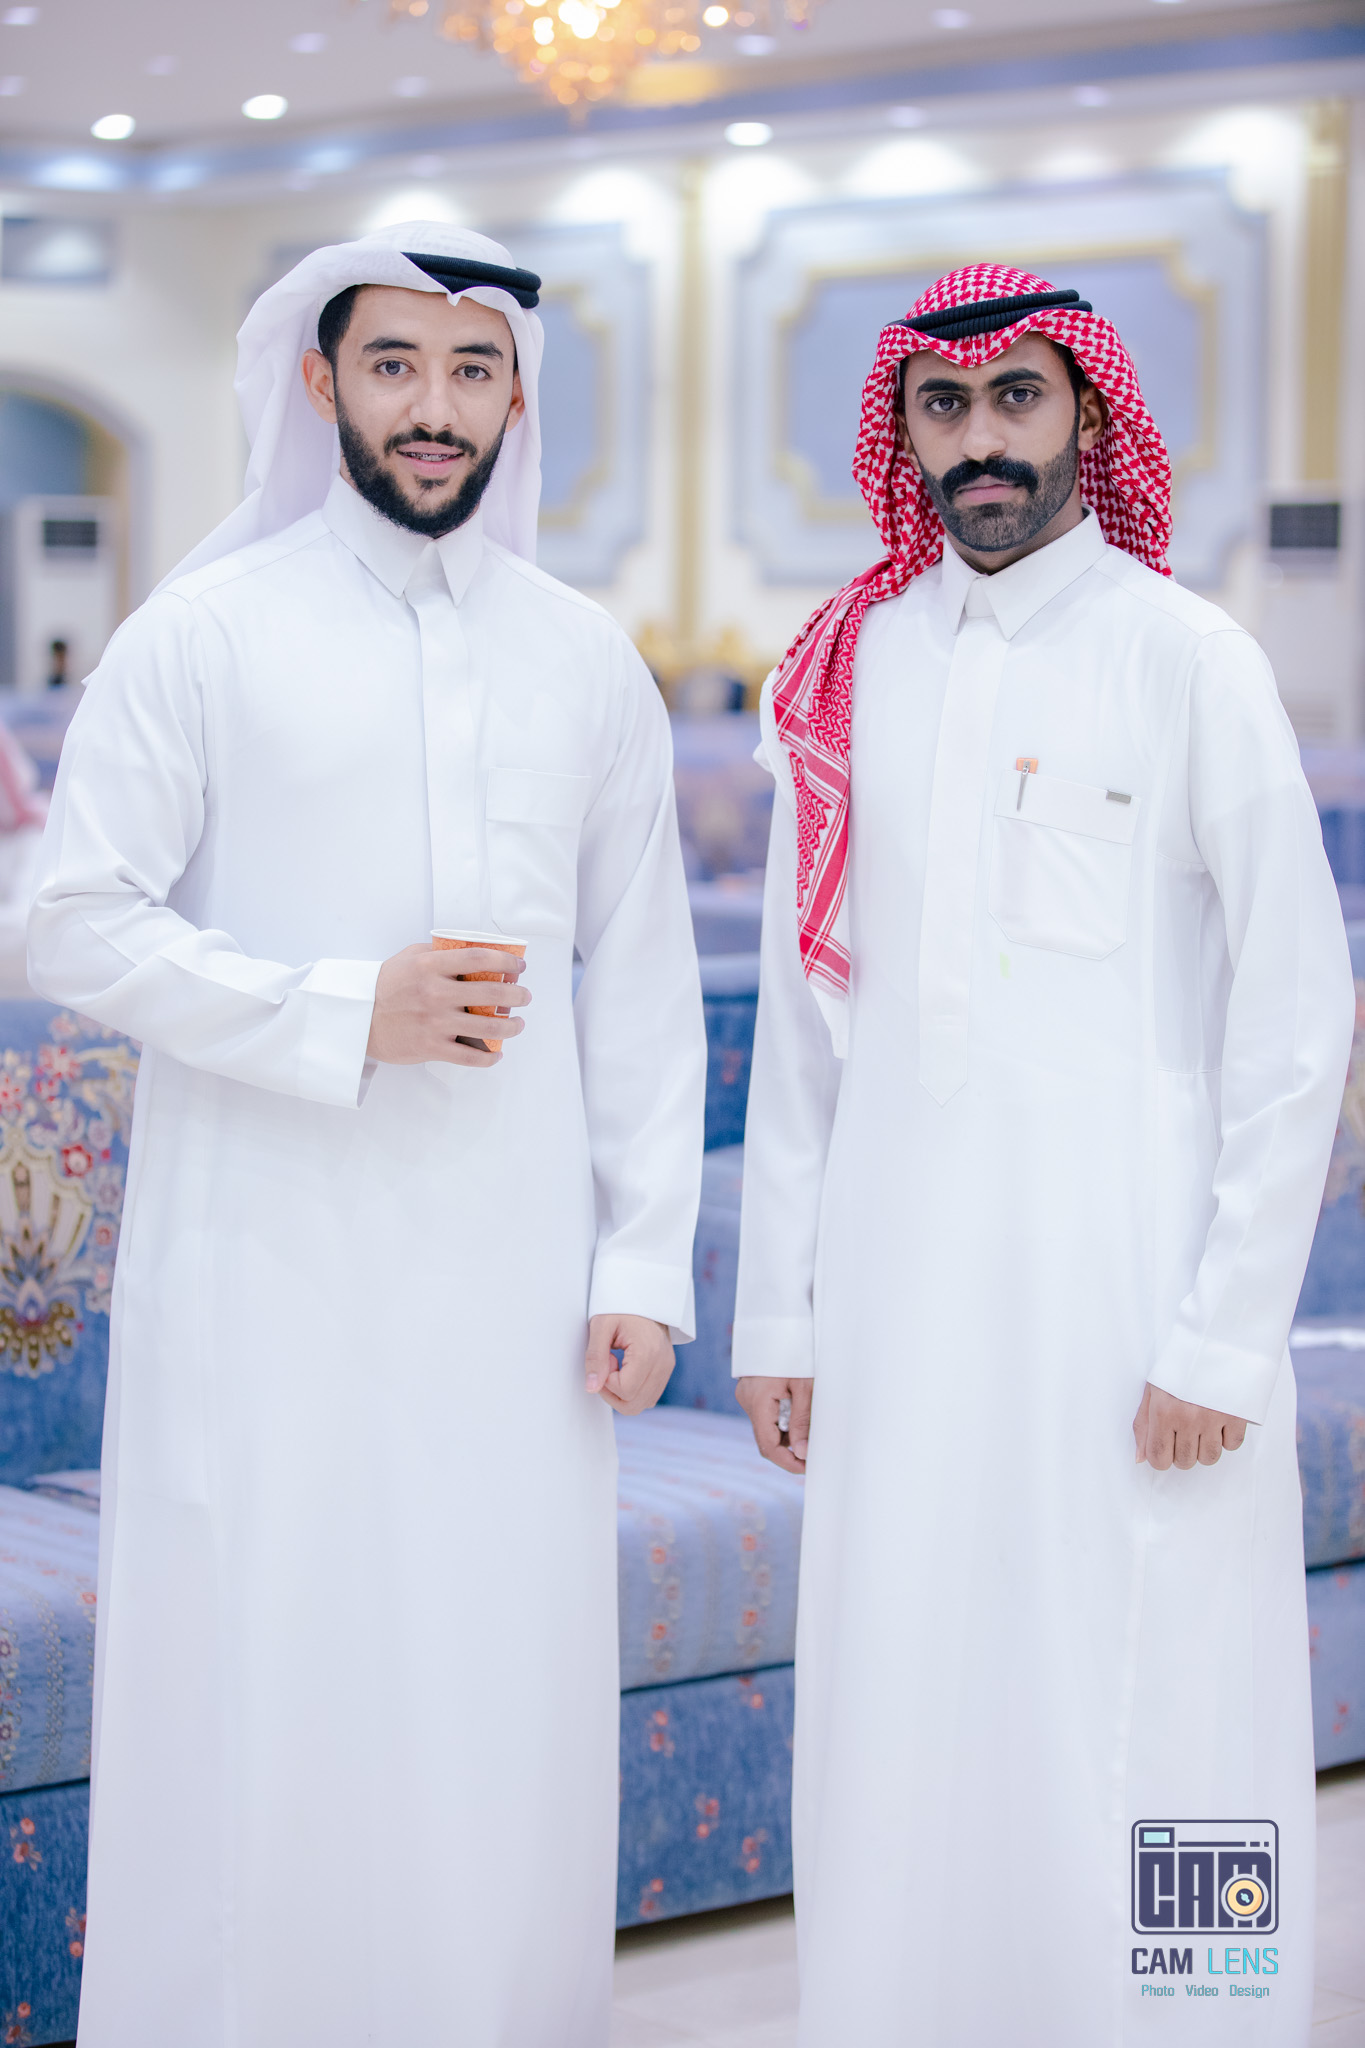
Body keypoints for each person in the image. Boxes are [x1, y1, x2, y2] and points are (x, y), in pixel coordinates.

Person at [28, 223, 706, 2048]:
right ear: (320, 381)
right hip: (268, 1274)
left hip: (514, 1300)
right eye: (395, 364)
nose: (434, 407)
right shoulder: (204, 634)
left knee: (496, 1696)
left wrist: (644, 1259)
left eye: (472, 371)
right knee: (270, 1683)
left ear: (514, 402)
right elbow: (69, 921)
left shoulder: (584, 662)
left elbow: (644, 982)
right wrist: (343, 1012)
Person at [733, 264, 1352, 2046]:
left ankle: (1196, 2021)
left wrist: (1223, 1335)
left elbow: (1295, 1023)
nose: (980, 440)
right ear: (902, 432)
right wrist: (777, 1314)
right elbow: (803, 1034)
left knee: (1170, 1702)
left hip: (1130, 1305)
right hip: (899, 1308)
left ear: (1084, 412)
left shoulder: (1187, 659)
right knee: (907, 1693)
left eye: (1017, 397)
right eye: (944, 406)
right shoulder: (843, 674)